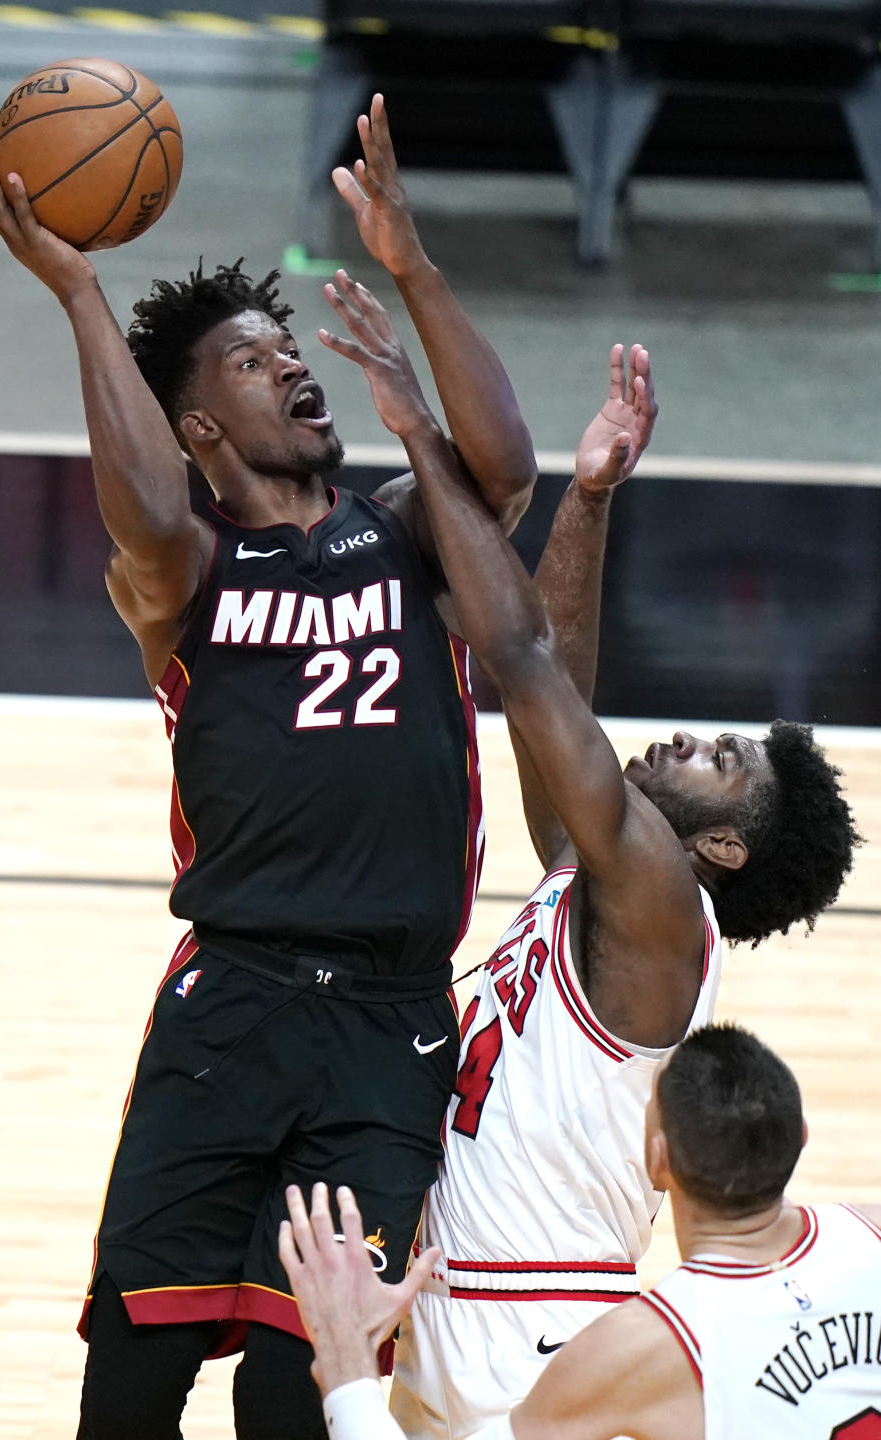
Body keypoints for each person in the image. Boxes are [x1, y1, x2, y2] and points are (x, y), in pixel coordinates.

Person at [0, 92, 536, 1440]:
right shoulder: (190, 573)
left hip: (390, 1027)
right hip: (232, 1010)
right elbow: (141, 509)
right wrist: (78, 298)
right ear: (200, 428)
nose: (291, 363)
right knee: (131, 1384)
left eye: (289, 347)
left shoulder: (408, 526)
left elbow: (509, 469)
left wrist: (410, 262)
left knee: (303, 1396)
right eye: (249, 360)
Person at [305, 278, 859, 1438]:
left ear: (719, 844)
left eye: (721, 760)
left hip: (540, 1324)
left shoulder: (657, 902)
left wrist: (418, 429)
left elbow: (521, 659)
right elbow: (549, 681)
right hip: (452, 1289)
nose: (688, 738)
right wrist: (592, 499)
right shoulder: (599, 881)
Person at [279, 1024, 881, 1440]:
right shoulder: (870, 1238)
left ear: (657, 1161)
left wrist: (348, 1364)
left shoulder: (643, 1347)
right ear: (802, 1135)